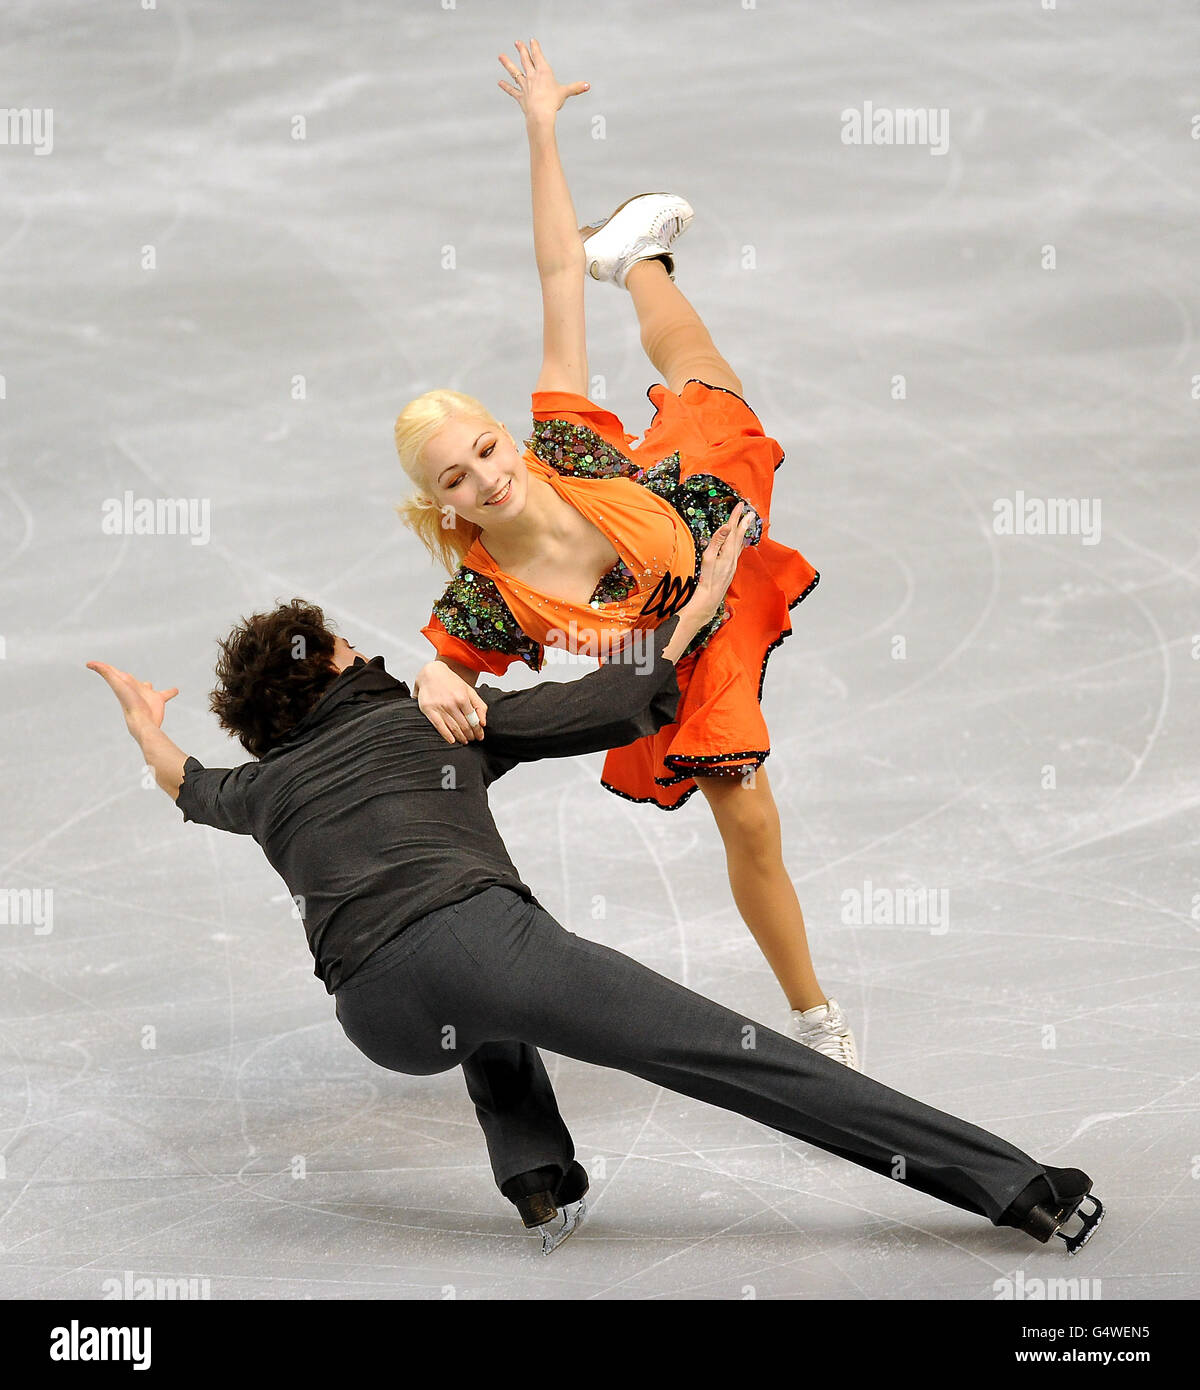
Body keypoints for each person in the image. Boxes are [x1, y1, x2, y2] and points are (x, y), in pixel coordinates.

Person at [86, 512, 1103, 1259]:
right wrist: (703, 600)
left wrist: (142, 714)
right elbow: (615, 700)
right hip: (473, 941)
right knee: (725, 1053)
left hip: (376, 1015)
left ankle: (535, 1180)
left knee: (483, 1002)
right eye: (358, 647)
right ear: (342, 663)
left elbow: (180, 781)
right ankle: (1019, 1186)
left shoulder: (258, 787)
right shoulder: (432, 720)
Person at [395, 38, 856, 1066]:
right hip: (686, 647)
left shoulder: (556, 439)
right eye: (455, 479)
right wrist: (432, 669)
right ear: (441, 502)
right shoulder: (490, 591)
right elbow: (444, 664)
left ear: (507, 434)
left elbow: (554, 270)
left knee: (704, 371)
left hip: (701, 508)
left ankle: (638, 259)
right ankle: (816, 1017)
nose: (483, 477)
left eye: (482, 446)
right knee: (749, 818)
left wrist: (542, 126)